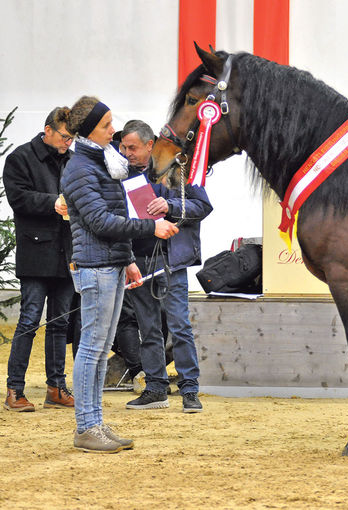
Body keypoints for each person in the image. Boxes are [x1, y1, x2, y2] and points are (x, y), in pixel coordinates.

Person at [60, 97, 179, 453]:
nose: (114, 131)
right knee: (92, 349)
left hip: (109, 263)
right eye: (106, 126)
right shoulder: (81, 168)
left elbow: (112, 216)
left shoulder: (102, 163)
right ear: (89, 131)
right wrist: (150, 227)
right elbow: (99, 221)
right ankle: (85, 425)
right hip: (94, 267)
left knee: (97, 350)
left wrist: (127, 258)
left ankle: (93, 421)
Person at [119, 120, 213, 413]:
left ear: (150, 145)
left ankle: (189, 389)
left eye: (132, 147)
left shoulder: (180, 169)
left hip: (171, 259)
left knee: (179, 325)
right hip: (138, 259)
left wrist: (169, 207)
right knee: (147, 328)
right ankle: (156, 388)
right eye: (123, 147)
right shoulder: (121, 176)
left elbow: (203, 207)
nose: (126, 153)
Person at [3, 107, 77, 412]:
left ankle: (55, 387)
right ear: (47, 130)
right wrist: (54, 203)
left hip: (67, 252)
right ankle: (14, 390)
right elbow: (18, 198)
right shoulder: (20, 158)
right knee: (29, 320)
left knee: (61, 323)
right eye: (63, 136)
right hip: (36, 253)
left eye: (72, 138)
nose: (68, 142)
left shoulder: (73, 161)